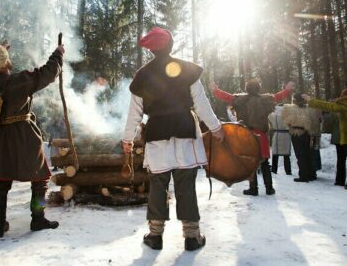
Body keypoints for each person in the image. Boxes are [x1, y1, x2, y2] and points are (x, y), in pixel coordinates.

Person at [122, 27, 223, 251]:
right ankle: (192, 236)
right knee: (185, 183)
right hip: (185, 131)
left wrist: (127, 139)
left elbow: (134, 113)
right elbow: (202, 104)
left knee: (158, 185)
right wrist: (216, 128)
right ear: (170, 45)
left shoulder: (143, 75)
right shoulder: (186, 69)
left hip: (157, 133)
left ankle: (155, 236)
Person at [0, 42, 62, 238]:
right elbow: (47, 73)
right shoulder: (18, 81)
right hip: (23, 134)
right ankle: (38, 218)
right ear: (5, 63)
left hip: (0, 136)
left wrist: (0, 53)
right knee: (40, 178)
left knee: (2, 180)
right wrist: (57, 55)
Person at [209, 80, 294, 196]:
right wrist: (287, 89)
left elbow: (226, 97)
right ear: (259, 88)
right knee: (264, 162)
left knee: (251, 163)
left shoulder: (240, 100)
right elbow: (278, 97)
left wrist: (215, 90)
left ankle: (253, 189)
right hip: (262, 136)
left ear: (246, 89)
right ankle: (269, 188)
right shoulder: (266, 100)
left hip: (247, 136)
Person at [282, 94, 322, 183]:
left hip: (296, 133)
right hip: (308, 134)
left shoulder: (289, 109)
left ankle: (303, 175)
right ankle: (311, 174)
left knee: (300, 155)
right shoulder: (310, 109)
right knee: (308, 153)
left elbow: (286, 121)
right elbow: (315, 121)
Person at [322, 111, 347, 186]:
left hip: (338, 137)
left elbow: (328, 124)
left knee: (341, 159)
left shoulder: (335, 111)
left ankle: (340, 180)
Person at [269, 105, 292, 175]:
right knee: (286, 155)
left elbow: (270, 123)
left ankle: (274, 169)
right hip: (286, 135)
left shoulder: (272, 115)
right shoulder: (289, 115)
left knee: (275, 153)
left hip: (277, 133)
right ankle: (288, 170)